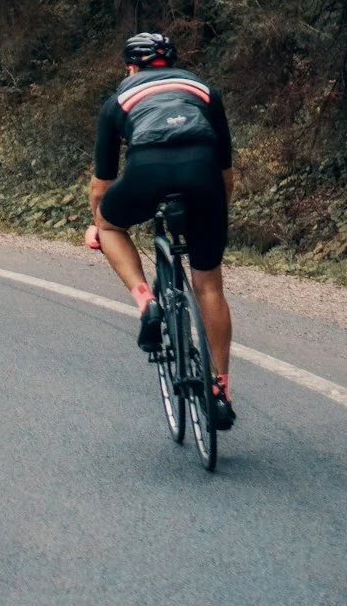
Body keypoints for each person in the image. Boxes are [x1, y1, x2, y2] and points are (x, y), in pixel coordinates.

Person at [86, 31, 237, 430]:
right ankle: (220, 389)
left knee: (109, 223)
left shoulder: (117, 100)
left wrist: (96, 223)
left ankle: (146, 301)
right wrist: (217, 211)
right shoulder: (204, 91)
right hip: (204, 176)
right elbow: (226, 174)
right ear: (172, 63)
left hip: (146, 169)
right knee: (209, 286)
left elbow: (101, 186)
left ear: (130, 67)